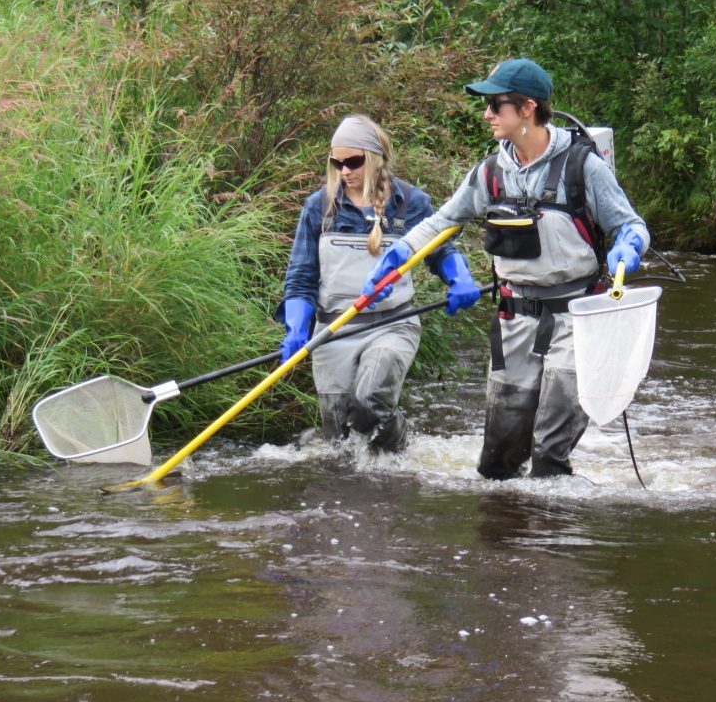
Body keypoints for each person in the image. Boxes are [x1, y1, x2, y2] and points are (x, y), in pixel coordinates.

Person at [362, 59, 650, 479]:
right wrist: (398, 255)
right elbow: (442, 222)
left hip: (577, 319)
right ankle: (508, 540)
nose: (487, 115)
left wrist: (630, 245)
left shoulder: (582, 166)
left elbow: (631, 224)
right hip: (514, 318)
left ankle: (551, 539)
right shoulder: (489, 173)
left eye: (496, 106)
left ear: (528, 108)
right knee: (497, 466)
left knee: (550, 455)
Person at [278, 114, 481, 452]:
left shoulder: (410, 202)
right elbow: (301, 277)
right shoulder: (319, 207)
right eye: (337, 162)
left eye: (354, 162)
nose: (344, 171)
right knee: (341, 441)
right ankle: (375, 482)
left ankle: (400, 457)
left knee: (369, 400)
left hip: (392, 324)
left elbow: (438, 250)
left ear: (375, 159)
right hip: (332, 330)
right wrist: (296, 329)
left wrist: (458, 279)